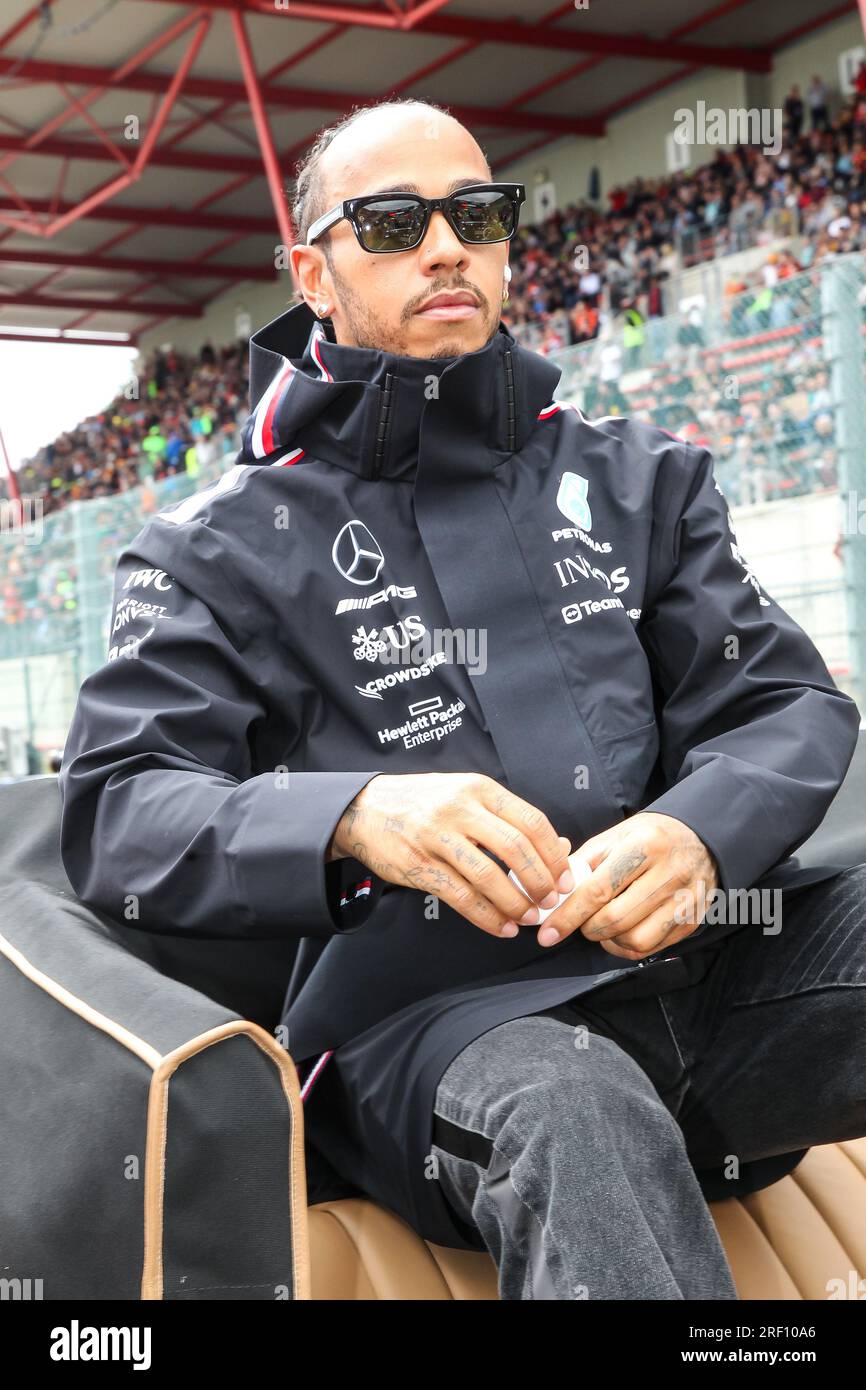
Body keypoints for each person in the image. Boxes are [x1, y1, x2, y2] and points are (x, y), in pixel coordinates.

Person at [58, 98, 864, 1301]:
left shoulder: (640, 476)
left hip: (710, 979)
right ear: (311, 274)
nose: (444, 245)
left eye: (474, 214)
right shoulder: (210, 552)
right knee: (571, 1104)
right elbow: (118, 812)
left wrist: (700, 832)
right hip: (433, 1031)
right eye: (390, 222)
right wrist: (353, 815)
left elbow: (786, 704)